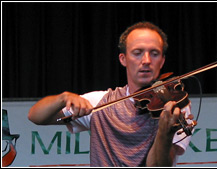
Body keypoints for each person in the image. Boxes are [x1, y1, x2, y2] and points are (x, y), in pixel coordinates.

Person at [28, 21, 193, 167]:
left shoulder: (174, 105)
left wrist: (165, 133)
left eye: (154, 53)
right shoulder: (100, 102)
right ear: (123, 59)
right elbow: (36, 116)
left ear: (162, 61)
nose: (147, 60)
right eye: (138, 53)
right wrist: (63, 98)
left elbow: (156, 166)